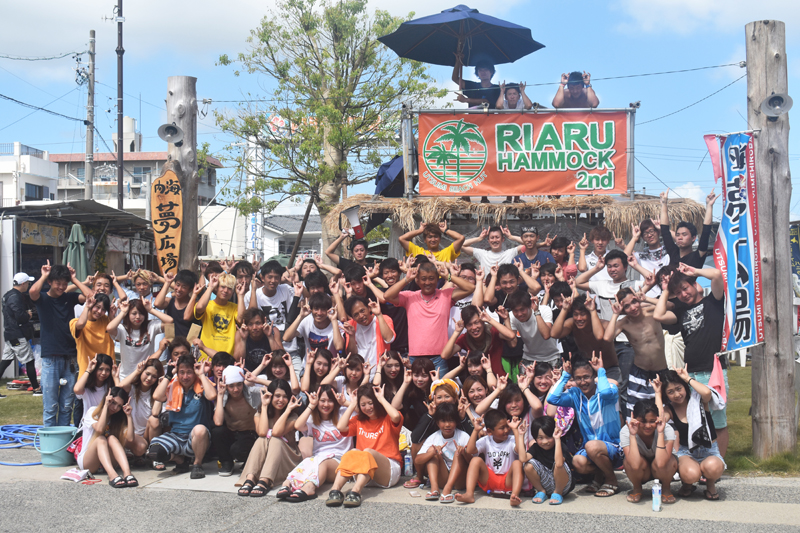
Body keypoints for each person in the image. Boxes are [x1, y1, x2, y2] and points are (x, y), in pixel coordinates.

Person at [653, 263, 729, 456]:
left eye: (685, 288)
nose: (683, 294)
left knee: (718, 420)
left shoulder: (714, 301)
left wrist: (694, 272)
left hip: (713, 371)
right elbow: (658, 314)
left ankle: (718, 464)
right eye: (678, 292)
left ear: (694, 285)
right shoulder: (680, 311)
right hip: (690, 373)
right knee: (695, 418)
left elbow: (717, 275)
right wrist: (665, 289)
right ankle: (699, 458)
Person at [576, 250, 654, 416]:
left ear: (625, 267)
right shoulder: (601, 284)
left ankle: (626, 422)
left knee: (624, 384)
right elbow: (578, 281)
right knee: (603, 383)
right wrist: (597, 268)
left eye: (616, 266)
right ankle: (606, 418)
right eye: (609, 266)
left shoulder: (634, 284)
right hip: (606, 343)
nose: (612, 269)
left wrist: (636, 265)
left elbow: (651, 279)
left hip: (627, 343)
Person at [547, 354, 622, 497]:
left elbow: (605, 392)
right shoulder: (575, 394)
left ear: (593, 376)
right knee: (578, 462)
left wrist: (601, 370)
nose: (583, 382)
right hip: (592, 449)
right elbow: (552, 398)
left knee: (591, 446)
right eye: (578, 378)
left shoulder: (608, 388)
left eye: (586, 377)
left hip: (615, 447)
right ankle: (601, 474)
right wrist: (565, 375)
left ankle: (612, 480)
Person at [383, 262, 474, 377]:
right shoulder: (410, 297)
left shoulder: (446, 295)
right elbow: (387, 296)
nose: (427, 282)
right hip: (415, 358)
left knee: (439, 391)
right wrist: (406, 279)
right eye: (423, 279)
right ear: (417, 280)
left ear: (437, 279)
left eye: (431, 278)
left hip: (439, 358)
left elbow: (470, 288)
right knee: (416, 394)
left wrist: (449, 277)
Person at [29, 261, 92, 427]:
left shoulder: (69, 298)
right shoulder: (42, 299)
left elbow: (90, 296)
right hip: (51, 357)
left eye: (65, 284)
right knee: (50, 406)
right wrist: (43, 275)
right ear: (50, 282)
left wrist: (75, 279)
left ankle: (63, 445)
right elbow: (33, 291)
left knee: (66, 406)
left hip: (71, 356)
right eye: (58, 283)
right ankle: (51, 447)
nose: (62, 287)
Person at [325, 384, 404, 508]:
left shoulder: (388, 418)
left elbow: (396, 416)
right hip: (364, 474)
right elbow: (341, 427)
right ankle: (335, 490)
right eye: (363, 405)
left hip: (388, 471)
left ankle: (355, 491)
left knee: (367, 452)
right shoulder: (359, 420)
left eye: (370, 403)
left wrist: (381, 398)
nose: (367, 407)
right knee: (353, 452)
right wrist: (352, 404)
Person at [655, 369, 725, 500]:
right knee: (691, 474)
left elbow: (707, 393)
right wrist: (658, 393)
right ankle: (688, 483)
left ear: (685, 387)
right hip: (686, 452)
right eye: (670, 392)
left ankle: (710, 484)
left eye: (679, 388)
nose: (677, 394)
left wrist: (687, 378)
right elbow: (660, 418)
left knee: (713, 467)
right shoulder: (670, 408)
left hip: (709, 449)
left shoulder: (697, 399)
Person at [279, 384, 352, 502]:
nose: (326, 405)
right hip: (317, 460)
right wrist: (311, 405)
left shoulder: (343, 413)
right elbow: (298, 426)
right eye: (322, 401)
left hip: (340, 462)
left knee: (322, 462)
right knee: (308, 460)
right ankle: (288, 484)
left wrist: (345, 403)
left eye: (330, 401)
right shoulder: (313, 418)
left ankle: (309, 487)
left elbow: (360, 410)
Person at [147, 355, 216, 479]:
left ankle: (197, 464)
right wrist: (169, 375)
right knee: (154, 452)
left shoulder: (200, 385)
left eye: (189, 372)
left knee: (200, 429)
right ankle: (180, 461)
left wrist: (201, 375)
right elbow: (157, 396)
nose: (185, 377)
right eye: (182, 372)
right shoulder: (173, 385)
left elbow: (211, 396)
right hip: (176, 436)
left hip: (196, 439)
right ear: (177, 373)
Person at [604, 288, 668, 416]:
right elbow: (607, 338)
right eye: (627, 306)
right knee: (636, 413)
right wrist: (615, 314)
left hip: (661, 372)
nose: (633, 308)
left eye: (634, 302)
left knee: (664, 412)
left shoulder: (651, 310)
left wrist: (647, 299)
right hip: (639, 373)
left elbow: (670, 305)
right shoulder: (624, 322)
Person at [236, 379, 302, 496]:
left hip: (288, 458)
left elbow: (276, 432)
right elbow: (262, 432)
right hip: (266, 456)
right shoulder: (260, 413)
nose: (281, 400)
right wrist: (265, 406)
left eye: (285, 396)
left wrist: (287, 410)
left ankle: (265, 480)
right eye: (277, 396)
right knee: (261, 439)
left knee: (276, 440)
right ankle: (250, 478)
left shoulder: (293, 416)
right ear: (270, 396)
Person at [454, 409, 523, 507]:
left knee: (517, 463)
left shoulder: (512, 440)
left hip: (508, 481)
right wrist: (476, 430)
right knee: (475, 460)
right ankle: (469, 494)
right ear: (489, 431)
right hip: (490, 480)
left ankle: (514, 496)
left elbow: (520, 451)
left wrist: (515, 430)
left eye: (507, 426)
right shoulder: (486, 440)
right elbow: (470, 450)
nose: (506, 430)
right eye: (502, 428)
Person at [620, 399, 678, 504]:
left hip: (661, 468)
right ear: (634, 417)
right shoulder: (625, 431)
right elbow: (634, 464)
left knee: (670, 461)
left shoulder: (667, 429)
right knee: (627, 462)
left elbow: (661, 463)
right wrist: (632, 435)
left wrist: (660, 433)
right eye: (643, 421)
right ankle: (637, 488)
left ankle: (666, 488)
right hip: (642, 468)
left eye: (652, 421)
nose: (648, 426)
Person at [551, 294, 620, 381]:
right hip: (586, 370)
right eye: (576, 314)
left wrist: (592, 310)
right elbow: (554, 334)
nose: (579, 318)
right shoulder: (572, 324)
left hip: (609, 369)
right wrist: (565, 309)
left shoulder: (605, 325)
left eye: (583, 314)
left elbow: (599, 336)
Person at [246, 262, 300, 373]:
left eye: (276, 277)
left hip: (290, 348)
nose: (273, 281)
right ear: (262, 277)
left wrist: (296, 281)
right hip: (267, 349)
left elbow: (304, 296)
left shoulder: (286, 289)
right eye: (269, 277)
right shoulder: (252, 295)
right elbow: (252, 314)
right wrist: (253, 291)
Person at [78, 387, 137, 488]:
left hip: (109, 461)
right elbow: (100, 429)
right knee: (101, 439)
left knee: (112, 438)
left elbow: (131, 439)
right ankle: (112, 475)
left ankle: (127, 473)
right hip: (89, 461)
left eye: (119, 406)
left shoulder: (117, 419)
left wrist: (129, 416)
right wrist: (105, 406)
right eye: (113, 403)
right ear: (107, 399)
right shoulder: (92, 412)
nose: (115, 408)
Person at [415, 402, 471, 503]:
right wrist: (432, 453)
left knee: (459, 453)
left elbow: (473, 461)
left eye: (451, 420)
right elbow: (418, 460)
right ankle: (434, 488)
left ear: (456, 422)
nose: (447, 425)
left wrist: (464, 453)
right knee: (432, 452)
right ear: (437, 423)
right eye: (443, 421)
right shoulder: (434, 437)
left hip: (460, 480)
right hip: (443, 478)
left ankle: (447, 489)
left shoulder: (463, 436)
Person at [212, 365, 260, 476]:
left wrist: (257, 380)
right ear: (226, 386)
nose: (236, 389)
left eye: (239, 385)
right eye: (231, 386)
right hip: (233, 433)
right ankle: (226, 462)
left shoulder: (253, 394)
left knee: (237, 449)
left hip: (250, 434)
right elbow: (218, 422)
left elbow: (277, 389)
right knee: (217, 432)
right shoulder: (224, 397)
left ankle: (249, 461)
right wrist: (220, 395)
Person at [106, 298, 173, 379]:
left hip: (146, 375)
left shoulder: (151, 326)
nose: (138, 317)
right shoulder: (122, 329)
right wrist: (123, 312)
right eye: (134, 313)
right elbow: (109, 328)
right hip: (126, 375)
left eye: (141, 313)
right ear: (128, 314)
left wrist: (151, 310)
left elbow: (170, 321)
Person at [442, 305, 514, 378]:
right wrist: (457, 332)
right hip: (478, 381)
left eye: (476, 322)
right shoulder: (465, 338)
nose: (474, 327)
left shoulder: (492, 331)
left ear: (482, 321)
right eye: (469, 324)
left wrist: (489, 320)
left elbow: (511, 336)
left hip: (499, 379)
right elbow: (445, 355)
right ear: (465, 326)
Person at [1, 272, 39, 397]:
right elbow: (20, 316)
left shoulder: (7, 295)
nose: (29, 285)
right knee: (29, 360)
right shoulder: (16, 297)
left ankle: (36, 388)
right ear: (23, 284)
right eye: (28, 283)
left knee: (5, 361)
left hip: (9, 334)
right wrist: (28, 315)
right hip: (17, 334)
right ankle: (36, 389)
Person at [660, 188, 718, 268]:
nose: (680, 238)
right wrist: (664, 203)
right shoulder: (673, 253)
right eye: (677, 235)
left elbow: (706, 232)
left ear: (693, 238)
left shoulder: (697, 256)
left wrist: (709, 206)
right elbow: (665, 230)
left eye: (684, 235)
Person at [118, 359, 164, 460]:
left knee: (154, 420)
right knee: (139, 447)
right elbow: (120, 386)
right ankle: (136, 453)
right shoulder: (132, 389)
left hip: (147, 435)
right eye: (147, 374)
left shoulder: (156, 393)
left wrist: (161, 388)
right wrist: (137, 371)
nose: (149, 378)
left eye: (154, 377)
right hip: (130, 434)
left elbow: (155, 413)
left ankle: (153, 455)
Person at [521, 416, 573, 505]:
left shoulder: (560, 446)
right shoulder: (536, 448)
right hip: (546, 483)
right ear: (535, 438)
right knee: (528, 465)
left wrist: (557, 439)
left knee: (558, 465)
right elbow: (523, 458)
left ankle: (557, 493)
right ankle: (541, 491)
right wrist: (521, 435)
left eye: (549, 437)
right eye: (540, 438)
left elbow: (560, 464)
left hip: (563, 486)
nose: (545, 441)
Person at [195, 273, 246, 357]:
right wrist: (210, 287)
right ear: (217, 288)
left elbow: (241, 320)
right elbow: (199, 308)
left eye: (229, 288)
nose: (225, 291)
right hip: (206, 357)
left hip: (227, 358)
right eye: (222, 287)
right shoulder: (207, 305)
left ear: (233, 292)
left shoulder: (235, 307)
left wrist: (240, 296)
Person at [342, 296, 395, 376]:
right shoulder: (351, 325)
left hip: (380, 371)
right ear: (352, 317)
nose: (361, 316)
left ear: (369, 308)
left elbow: (389, 339)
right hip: (360, 374)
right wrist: (352, 336)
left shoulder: (383, 318)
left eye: (362, 311)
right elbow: (352, 354)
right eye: (356, 314)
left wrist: (379, 314)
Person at [507, 290, 561, 368]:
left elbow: (546, 335)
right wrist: (506, 320)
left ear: (530, 306)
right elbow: (512, 343)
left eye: (522, 309)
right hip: (528, 357)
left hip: (551, 356)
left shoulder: (544, 310)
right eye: (515, 311)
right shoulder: (511, 316)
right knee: (522, 380)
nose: (519, 314)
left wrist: (536, 311)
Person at [284, 293, 345, 360]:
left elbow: (339, 347)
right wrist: (300, 316)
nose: (319, 313)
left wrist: (334, 321)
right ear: (311, 309)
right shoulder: (307, 321)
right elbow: (286, 338)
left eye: (323, 309)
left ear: (328, 310)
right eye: (316, 309)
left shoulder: (336, 324)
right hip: (308, 365)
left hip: (330, 366)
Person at [623, 219, 670, 297]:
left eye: (651, 231)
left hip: (668, 295)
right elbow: (623, 257)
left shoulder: (669, 251)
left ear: (658, 231)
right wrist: (635, 238)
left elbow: (681, 240)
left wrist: (663, 229)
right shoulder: (641, 256)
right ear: (643, 238)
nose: (649, 235)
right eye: (645, 233)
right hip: (648, 297)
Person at [71, 293, 114, 375]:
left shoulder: (106, 320)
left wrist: (111, 316)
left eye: (103, 310)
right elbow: (80, 325)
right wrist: (87, 307)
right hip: (87, 372)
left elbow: (117, 335)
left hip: (106, 372)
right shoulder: (74, 322)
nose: (99, 311)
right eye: (97, 307)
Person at [232, 308, 283, 372]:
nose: (254, 328)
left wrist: (270, 337)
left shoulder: (273, 331)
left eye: (258, 323)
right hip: (248, 373)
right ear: (246, 325)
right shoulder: (240, 333)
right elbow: (238, 360)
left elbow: (281, 357)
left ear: (264, 322)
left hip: (270, 373)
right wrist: (243, 339)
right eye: (250, 324)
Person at [154, 270, 199, 339]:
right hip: (171, 344)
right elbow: (157, 304)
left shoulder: (194, 304)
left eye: (184, 287)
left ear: (190, 290)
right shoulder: (170, 301)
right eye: (177, 285)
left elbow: (187, 317)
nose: (179, 289)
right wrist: (167, 282)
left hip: (188, 345)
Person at [399, 221, 464, 263]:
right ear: (425, 239)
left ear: (440, 239)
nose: (433, 240)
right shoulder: (418, 252)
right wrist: (419, 231)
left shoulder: (447, 252)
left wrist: (445, 230)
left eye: (436, 236)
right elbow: (401, 239)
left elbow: (461, 238)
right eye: (430, 237)